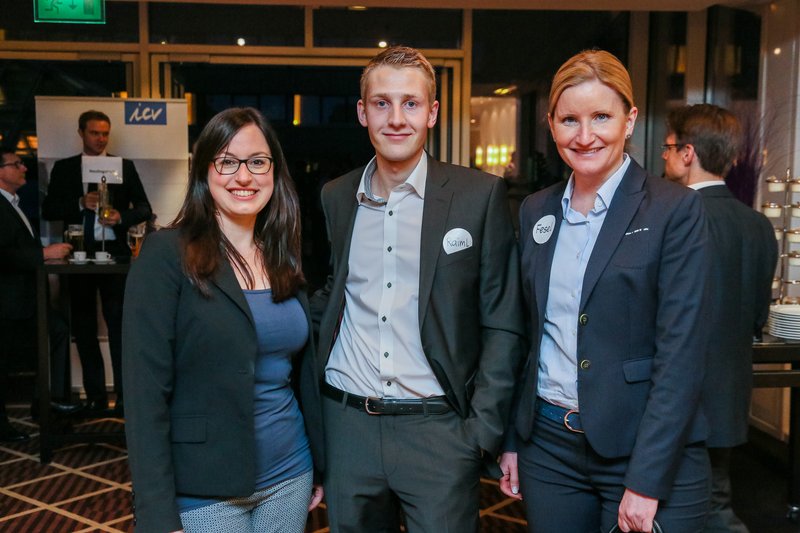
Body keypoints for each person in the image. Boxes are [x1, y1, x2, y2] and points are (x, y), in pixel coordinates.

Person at [311, 45, 525, 532]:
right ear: (362, 112)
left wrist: (480, 433)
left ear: (432, 112)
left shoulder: (478, 196)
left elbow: (503, 321)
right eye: (381, 103)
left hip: (440, 432)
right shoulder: (337, 196)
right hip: (349, 426)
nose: (396, 118)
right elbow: (329, 294)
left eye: (410, 103)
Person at [499, 50, 712, 533]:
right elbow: (526, 336)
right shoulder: (536, 210)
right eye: (569, 120)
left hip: (642, 450)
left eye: (601, 117)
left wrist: (646, 480)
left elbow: (681, 356)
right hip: (548, 449)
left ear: (629, 120)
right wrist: (512, 437)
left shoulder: (674, 210)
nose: (584, 135)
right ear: (551, 125)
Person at [122, 107, 324, 533]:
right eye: (227, 162)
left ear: (274, 171)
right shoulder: (165, 255)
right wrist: (156, 512)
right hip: (202, 487)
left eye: (257, 162)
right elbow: (144, 396)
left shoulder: (282, 254)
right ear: (204, 170)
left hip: (290, 472)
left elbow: (299, 371)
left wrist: (320, 464)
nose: (243, 176)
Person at [663, 104, 777, 533]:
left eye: (668, 147)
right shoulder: (758, 225)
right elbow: (758, 315)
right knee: (715, 499)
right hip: (728, 391)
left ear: (688, 153)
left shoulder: (672, 219)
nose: (664, 156)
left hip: (676, 394)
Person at [42, 110, 152, 416]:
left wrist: (121, 216)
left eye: (105, 133)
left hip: (116, 255)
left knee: (120, 326)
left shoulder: (123, 166)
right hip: (77, 256)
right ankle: (95, 397)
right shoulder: (65, 168)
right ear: (81, 133)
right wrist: (79, 203)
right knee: (84, 326)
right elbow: (49, 209)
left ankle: (125, 397)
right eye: (94, 133)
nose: (101, 139)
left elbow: (145, 208)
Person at [0, 149, 78, 441]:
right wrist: (44, 254)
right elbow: (4, 254)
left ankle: (47, 404)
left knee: (57, 331)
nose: (24, 168)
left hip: (25, 300)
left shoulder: (13, 203)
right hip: (8, 302)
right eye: (17, 164)